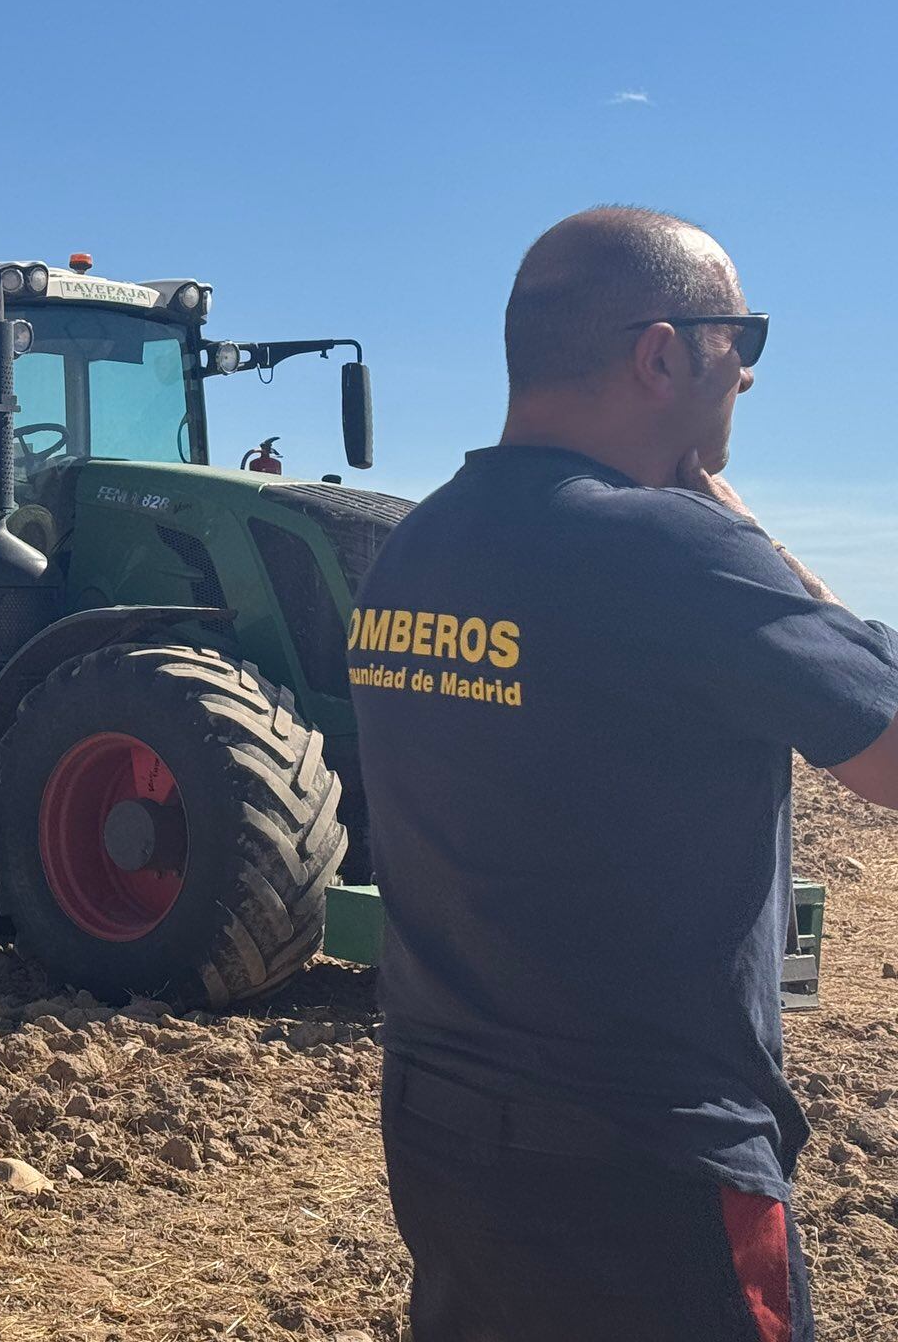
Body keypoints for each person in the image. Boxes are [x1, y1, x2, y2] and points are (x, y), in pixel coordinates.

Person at [347, 206, 898, 1341]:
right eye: (740, 338)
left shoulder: (418, 547)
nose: (748, 372)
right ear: (660, 353)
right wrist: (759, 544)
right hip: (646, 1161)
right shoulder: (674, 552)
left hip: (445, 1128)